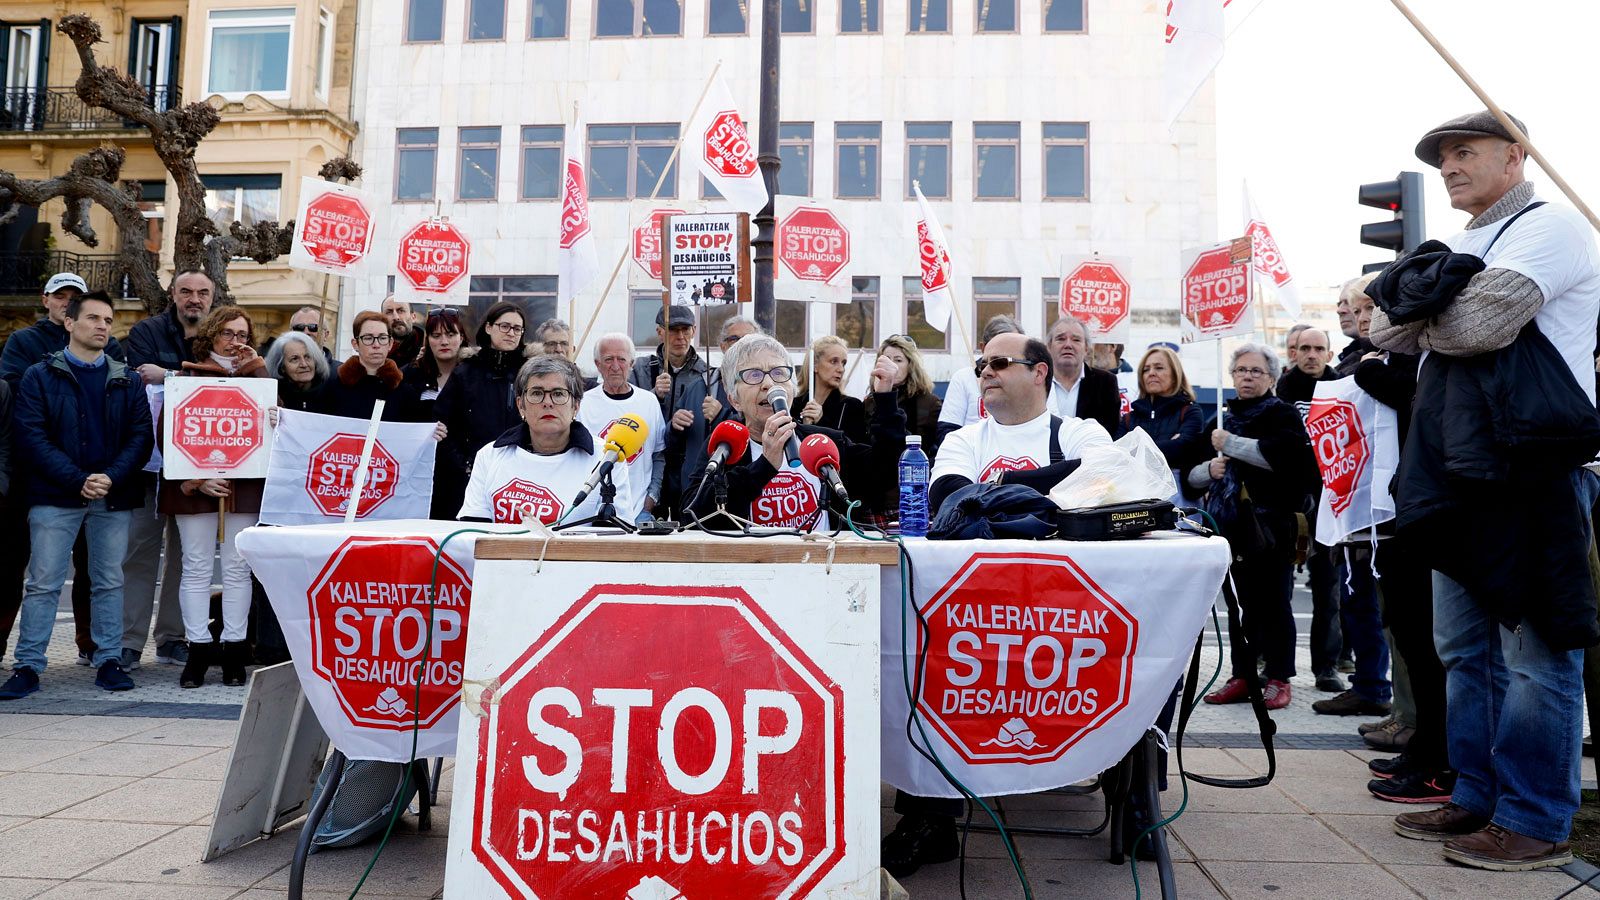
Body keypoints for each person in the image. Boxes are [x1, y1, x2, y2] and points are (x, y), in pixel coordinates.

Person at [1376, 111, 1600, 869]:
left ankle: (1535, 819)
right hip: (1458, 471)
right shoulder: (1468, 242)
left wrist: (1424, 306)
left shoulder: (1553, 228)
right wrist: (1426, 308)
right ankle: (1478, 796)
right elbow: (1382, 327)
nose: (1450, 169)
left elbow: (1477, 325)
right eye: (1442, 159)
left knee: (1538, 654)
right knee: (1464, 648)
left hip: (1530, 469)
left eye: (1465, 153)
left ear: (1516, 155)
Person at [884, 332, 1111, 878]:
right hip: (974, 611)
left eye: (1000, 362)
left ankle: (1134, 796)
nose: (986, 371)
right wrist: (1049, 493)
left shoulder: (1079, 431)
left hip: (1064, 616)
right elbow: (949, 500)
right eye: (982, 363)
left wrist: (1004, 487)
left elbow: (1105, 482)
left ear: (1039, 373)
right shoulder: (964, 438)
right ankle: (927, 820)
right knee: (925, 669)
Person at [1, 292, 150, 699]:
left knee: (108, 581)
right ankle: (28, 667)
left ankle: (108, 662)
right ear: (69, 323)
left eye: (108, 319)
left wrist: (108, 477)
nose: (103, 325)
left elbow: (140, 438)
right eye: (93, 318)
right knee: (43, 584)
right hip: (55, 495)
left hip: (111, 496)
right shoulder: (39, 376)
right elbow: (31, 436)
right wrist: (78, 479)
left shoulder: (128, 379)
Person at [1344, 283, 1450, 802]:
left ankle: (1439, 758)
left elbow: (1411, 400)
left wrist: (1370, 370)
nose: (1369, 320)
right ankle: (1426, 747)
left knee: (1434, 644)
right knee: (1409, 633)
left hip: (1426, 507)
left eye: (1377, 311)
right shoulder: (1386, 359)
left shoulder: (1423, 357)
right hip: (1398, 509)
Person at [1192, 343, 1316, 713]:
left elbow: (1286, 460)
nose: (1246, 376)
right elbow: (1194, 474)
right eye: (1240, 370)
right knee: (1242, 604)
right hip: (1231, 527)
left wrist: (1232, 445)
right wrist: (1207, 470)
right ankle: (1243, 675)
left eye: (1255, 371)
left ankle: (1279, 678)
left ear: (1272, 378)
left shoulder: (1283, 415)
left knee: (1275, 602)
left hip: (1272, 525)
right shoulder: (1221, 417)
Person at [685, 334, 905, 532]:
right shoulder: (726, 446)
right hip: (755, 570)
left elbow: (885, 471)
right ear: (733, 399)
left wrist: (885, 399)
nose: (769, 384)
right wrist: (763, 466)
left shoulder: (822, 442)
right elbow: (693, 515)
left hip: (823, 567)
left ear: (791, 388)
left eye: (779, 373)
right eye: (753, 375)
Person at [159, 306, 272, 689]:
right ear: (211, 334)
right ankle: (199, 648)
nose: (235, 341)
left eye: (243, 334)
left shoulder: (257, 374)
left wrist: (256, 367)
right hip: (197, 484)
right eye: (228, 333)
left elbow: (273, 421)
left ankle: (235, 649)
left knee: (239, 569)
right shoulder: (189, 374)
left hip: (244, 484)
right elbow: (170, 430)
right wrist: (197, 478)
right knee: (196, 566)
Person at [458, 355, 625, 525]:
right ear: (520, 405)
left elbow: (615, 539)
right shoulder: (490, 455)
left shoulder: (607, 459)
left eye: (558, 394)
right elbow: (473, 531)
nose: (547, 403)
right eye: (537, 393)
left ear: (576, 405)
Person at [1275, 326, 1349, 693]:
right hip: (1288, 503)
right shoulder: (1280, 393)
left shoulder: (1343, 390)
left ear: (1329, 353)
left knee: (1327, 589)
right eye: (1304, 348)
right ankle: (1276, 667)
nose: (1311, 354)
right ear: (1294, 353)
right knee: (1278, 590)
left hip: (1329, 502)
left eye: (1318, 348)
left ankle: (1326, 666)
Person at [434, 302, 528, 520]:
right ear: (488, 328)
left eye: (517, 329)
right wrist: (464, 464)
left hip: (520, 474)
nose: (511, 333)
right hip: (471, 476)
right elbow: (442, 425)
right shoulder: (466, 372)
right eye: (505, 326)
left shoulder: (530, 372)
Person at [629, 305, 711, 518]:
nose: (680, 337)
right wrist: (653, 394)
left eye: (686, 330)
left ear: (694, 330)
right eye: (673, 330)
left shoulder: (708, 375)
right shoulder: (640, 368)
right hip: (648, 462)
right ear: (660, 332)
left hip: (687, 465)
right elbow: (624, 413)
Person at [578, 333, 666, 522]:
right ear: (597, 364)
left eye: (622, 359)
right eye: (608, 359)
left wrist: (650, 502)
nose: (615, 366)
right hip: (592, 515)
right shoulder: (583, 403)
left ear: (632, 363)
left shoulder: (649, 402)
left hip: (638, 512)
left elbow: (658, 456)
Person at [317, 311, 431, 423]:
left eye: (382, 338)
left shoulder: (405, 393)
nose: (376, 345)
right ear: (355, 344)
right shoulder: (332, 388)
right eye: (368, 338)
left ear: (390, 344)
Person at [936, 314, 1022, 441]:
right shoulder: (963, 378)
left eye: (1012, 347)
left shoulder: (1030, 379)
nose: (1005, 354)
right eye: (999, 347)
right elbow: (947, 432)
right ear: (983, 348)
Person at [1120, 345, 1204, 470]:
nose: (1151, 373)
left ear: (1175, 375)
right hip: (1133, 487)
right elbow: (1118, 454)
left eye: (1159, 368)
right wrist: (1170, 444)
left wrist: (1135, 449)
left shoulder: (1190, 411)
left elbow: (1184, 448)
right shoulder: (1129, 418)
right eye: (1146, 370)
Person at [1044, 315, 1122, 436]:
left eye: (1076, 340)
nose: (1068, 345)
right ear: (1049, 347)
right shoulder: (1036, 381)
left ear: (1086, 348)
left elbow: (1110, 430)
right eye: (1061, 339)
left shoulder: (1106, 382)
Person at [795, 335, 868, 445]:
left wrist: (821, 423)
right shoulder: (794, 405)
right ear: (815, 364)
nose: (841, 369)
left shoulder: (851, 406)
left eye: (843, 363)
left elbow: (856, 452)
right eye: (834, 361)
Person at [402, 306, 466, 422]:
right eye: (436, 336)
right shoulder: (411, 376)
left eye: (450, 335)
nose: (444, 342)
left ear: (461, 338)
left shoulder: (475, 375)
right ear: (428, 340)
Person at [705, 315, 759, 428]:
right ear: (723, 346)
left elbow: (762, 428)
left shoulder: (768, 384)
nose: (741, 343)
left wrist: (721, 416)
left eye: (748, 338)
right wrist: (675, 427)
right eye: (734, 339)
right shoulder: (702, 384)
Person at [265, 330, 330, 413]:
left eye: (307, 357)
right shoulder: (274, 397)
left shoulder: (333, 389)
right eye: (295, 359)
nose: (304, 364)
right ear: (281, 367)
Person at [1333, 276, 1379, 377]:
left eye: (1370, 307)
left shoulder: (1410, 354)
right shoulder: (1346, 363)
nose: (1339, 310)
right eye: (1356, 311)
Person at [381, 295, 425, 367]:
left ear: (413, 317)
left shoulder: (427, 347)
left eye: (401, 311)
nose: (396, 317)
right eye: (389, 312)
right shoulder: (376, 349)